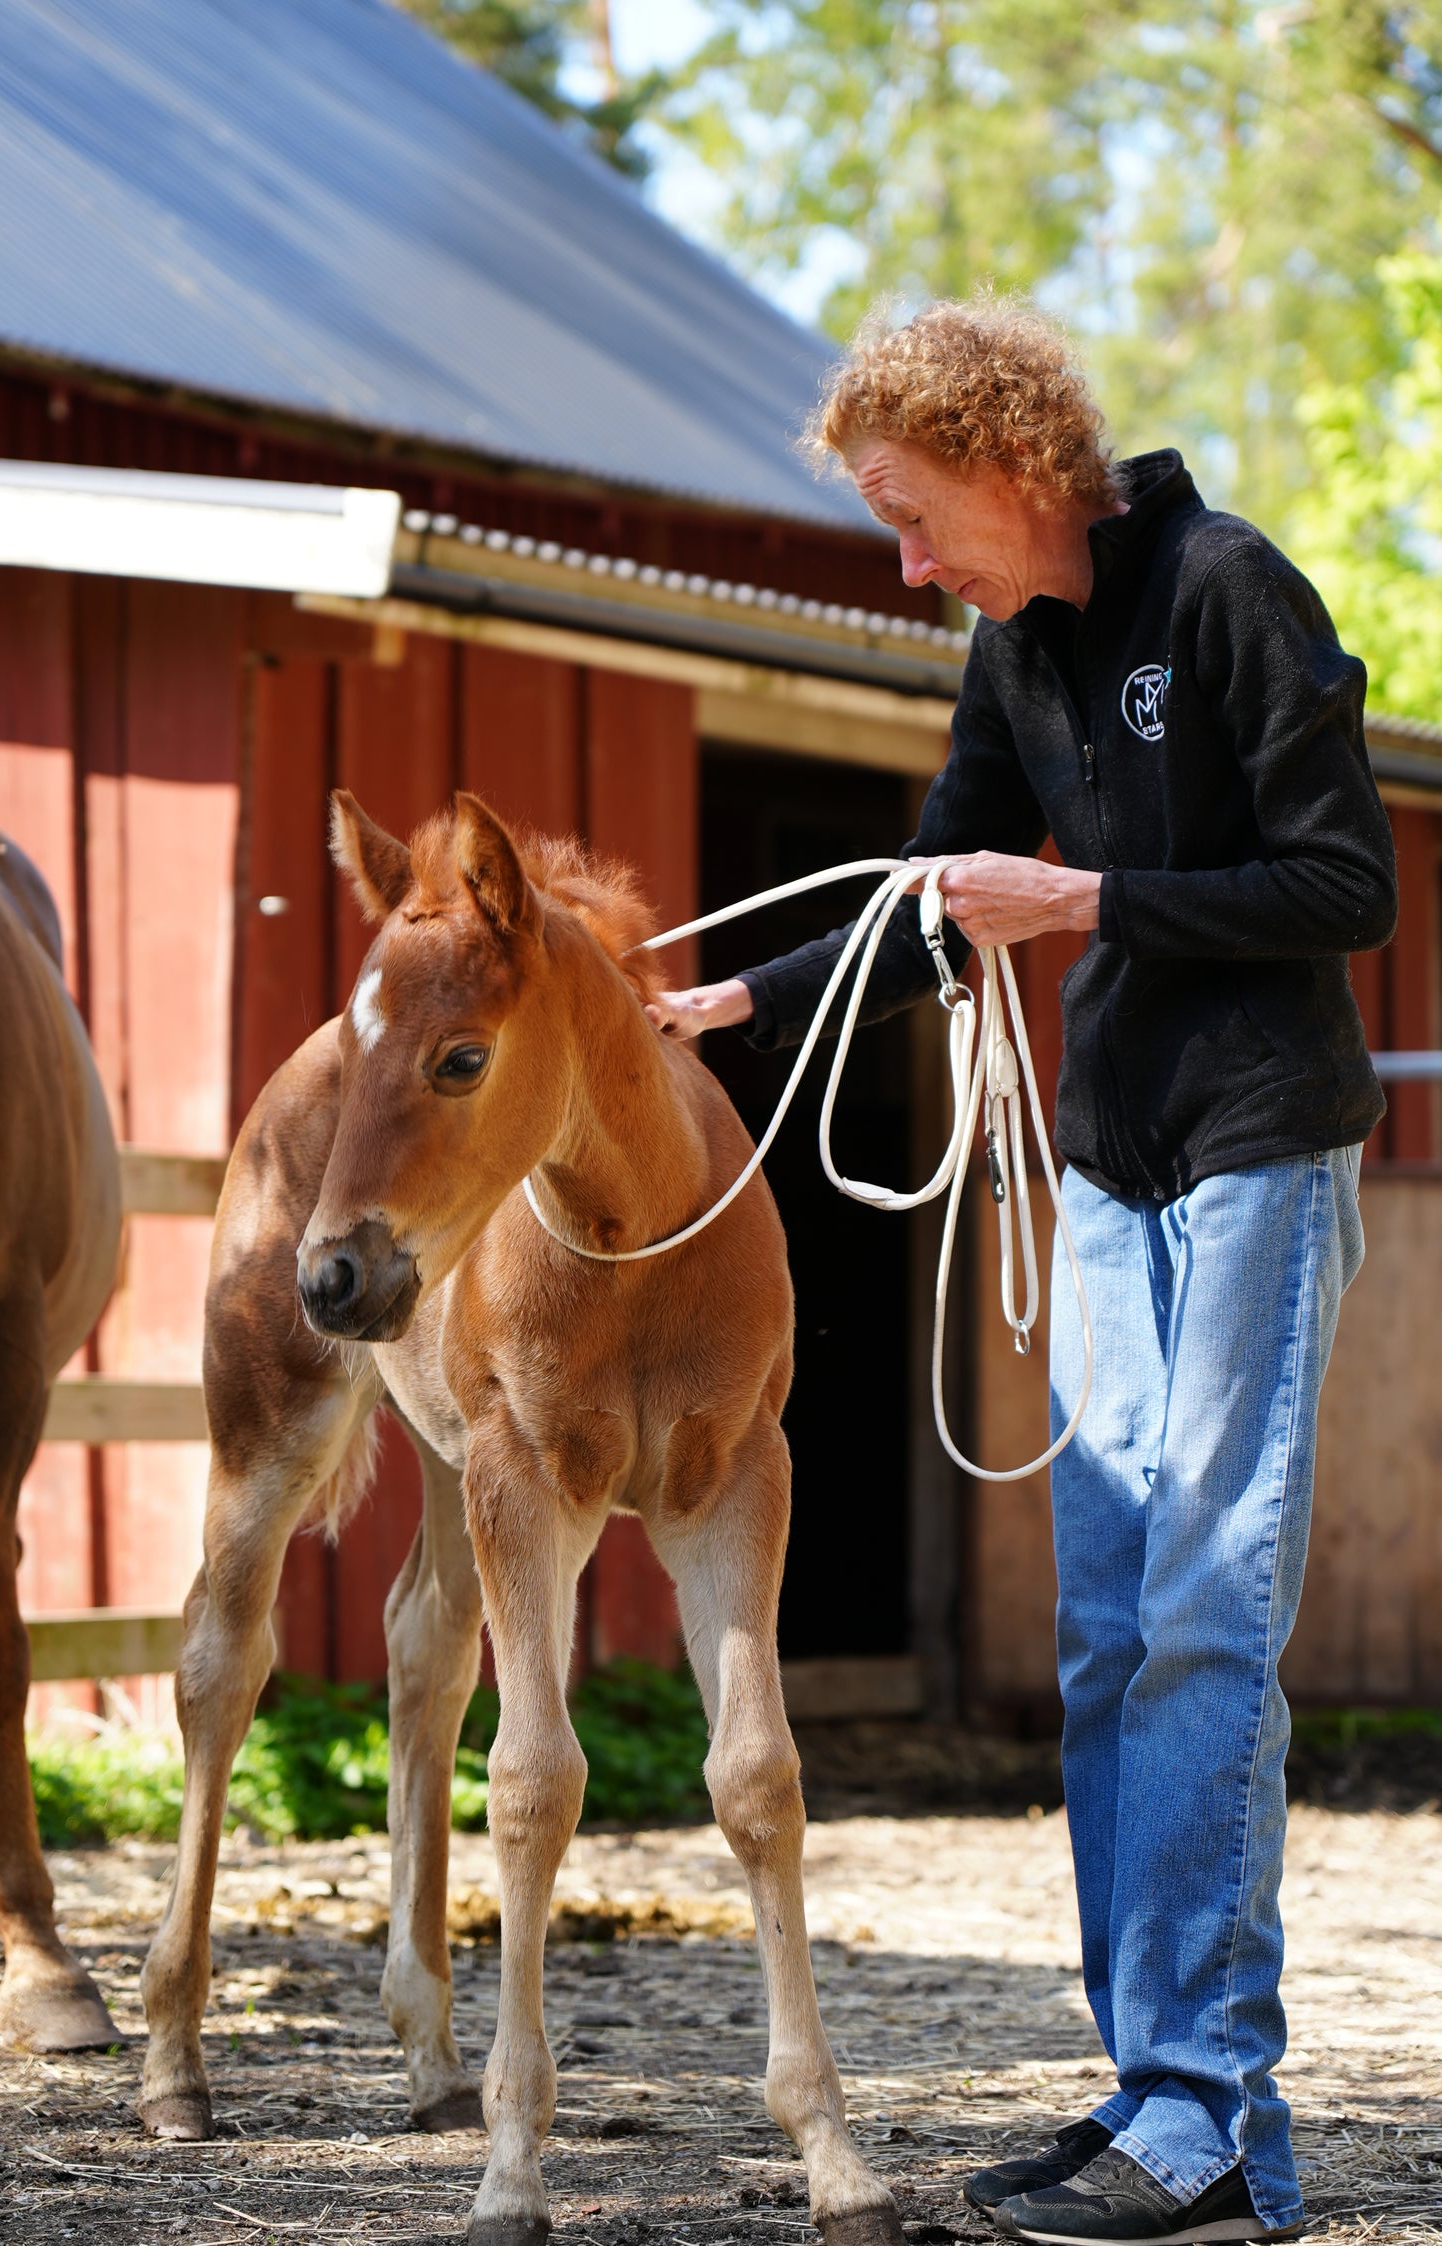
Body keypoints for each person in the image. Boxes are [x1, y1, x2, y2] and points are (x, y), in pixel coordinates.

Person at [646, 295, 1397, 2246]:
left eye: (913, 516)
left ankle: (1209, 2111)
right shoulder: (1008, 649)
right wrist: (732, 1001)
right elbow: (928, 900)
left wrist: (1082, 902)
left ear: (1006, 459)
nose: (906, 561)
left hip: (1258, 1143)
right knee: (1100, 1629)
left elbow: (1350, 884)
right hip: (1112, 1166)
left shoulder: (1229, 589)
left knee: (1209, 1616)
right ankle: (1160, 2091)